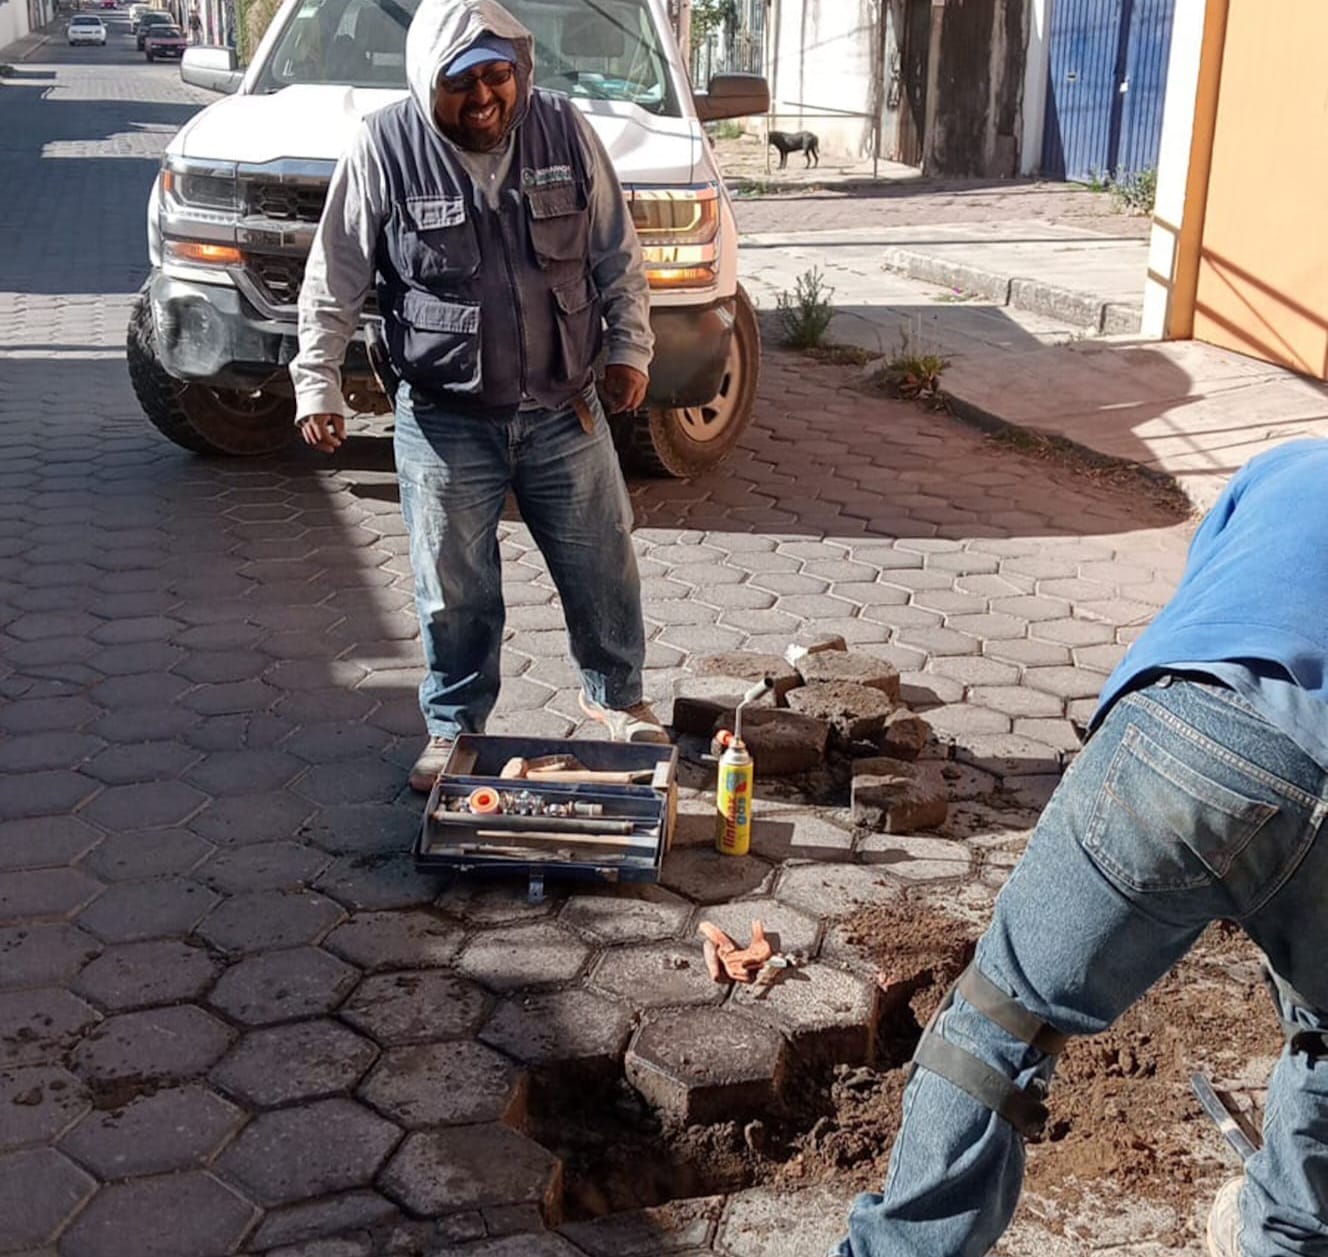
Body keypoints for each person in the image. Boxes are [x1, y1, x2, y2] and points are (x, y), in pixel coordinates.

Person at [833, 438, 1328, 1257]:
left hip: (1196, 735)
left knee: (1003, 1017)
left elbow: (1204, 600)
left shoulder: (1291, 464)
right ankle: (1281, 1239)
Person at [292, 0, 666, 792]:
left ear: (521, 71)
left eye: (501, 76)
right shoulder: (383, 148)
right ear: (430, 81)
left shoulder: (565, 132)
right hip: (443, 419)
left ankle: (618, 697)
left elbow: (615, 254)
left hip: (566, 411)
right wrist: (315, 380)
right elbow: (335, 278)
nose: (486, 98)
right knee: (453, 591)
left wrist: (630, 347)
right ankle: (455, 726)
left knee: (604, 566)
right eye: (465, 83)